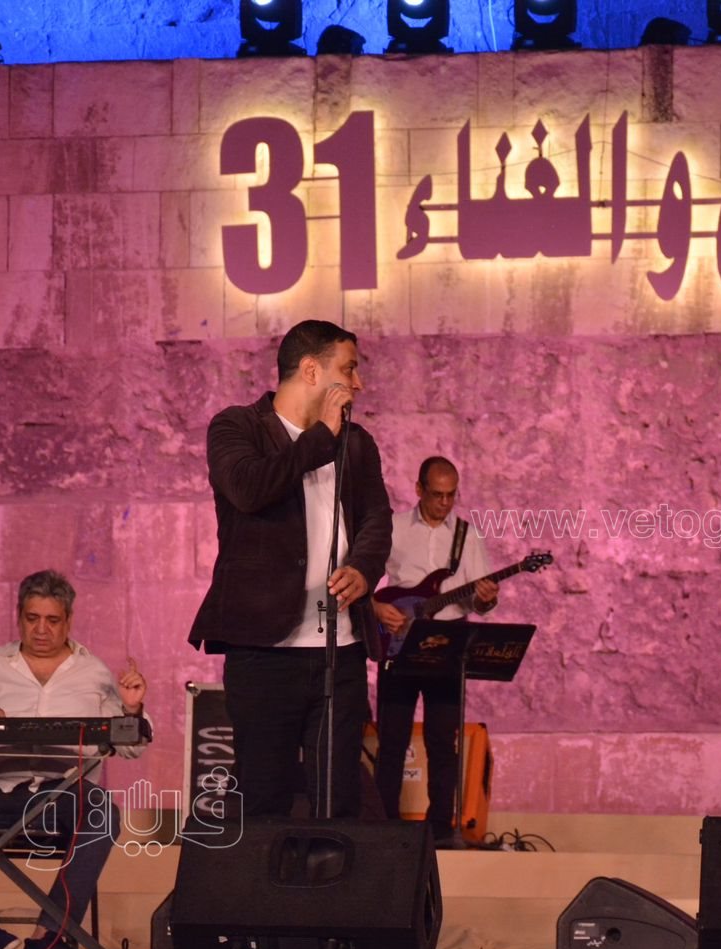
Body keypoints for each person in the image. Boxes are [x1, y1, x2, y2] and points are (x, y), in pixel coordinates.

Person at [188, 320, 392, 819]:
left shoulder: (357, 443)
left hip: (339, 651)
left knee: (339, 798)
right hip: (264, 652)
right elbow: (250, 489)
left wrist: (364, 569)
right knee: (264, 797)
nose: (359, 383)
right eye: (349, 369)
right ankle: (268, 875)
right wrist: (321, 436)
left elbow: (376, 518)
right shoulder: (237, 427)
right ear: (311, 370)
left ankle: (331, 873)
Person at [0, 570, 147, 949]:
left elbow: (131, 749)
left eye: (52, 620)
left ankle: (52, 934)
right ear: (18, 616)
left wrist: (131, 710)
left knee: (102, 813)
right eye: (32, 618)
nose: (41, 629)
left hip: (64, 791)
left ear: (69, 621)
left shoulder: (93, 672)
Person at [372, 457, 498, 845]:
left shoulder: (466, 535)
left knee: (443, 741)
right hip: (400, 638)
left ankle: (441, 827)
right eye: (437, 494)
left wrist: (485, 599)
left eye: (451, 495)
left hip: (448, 640)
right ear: (419, 489)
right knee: (392, 739)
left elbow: (480, 601)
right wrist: (376, 608)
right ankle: (384, 826)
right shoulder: (392, 528)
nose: (445, 503)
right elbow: (362, 580)